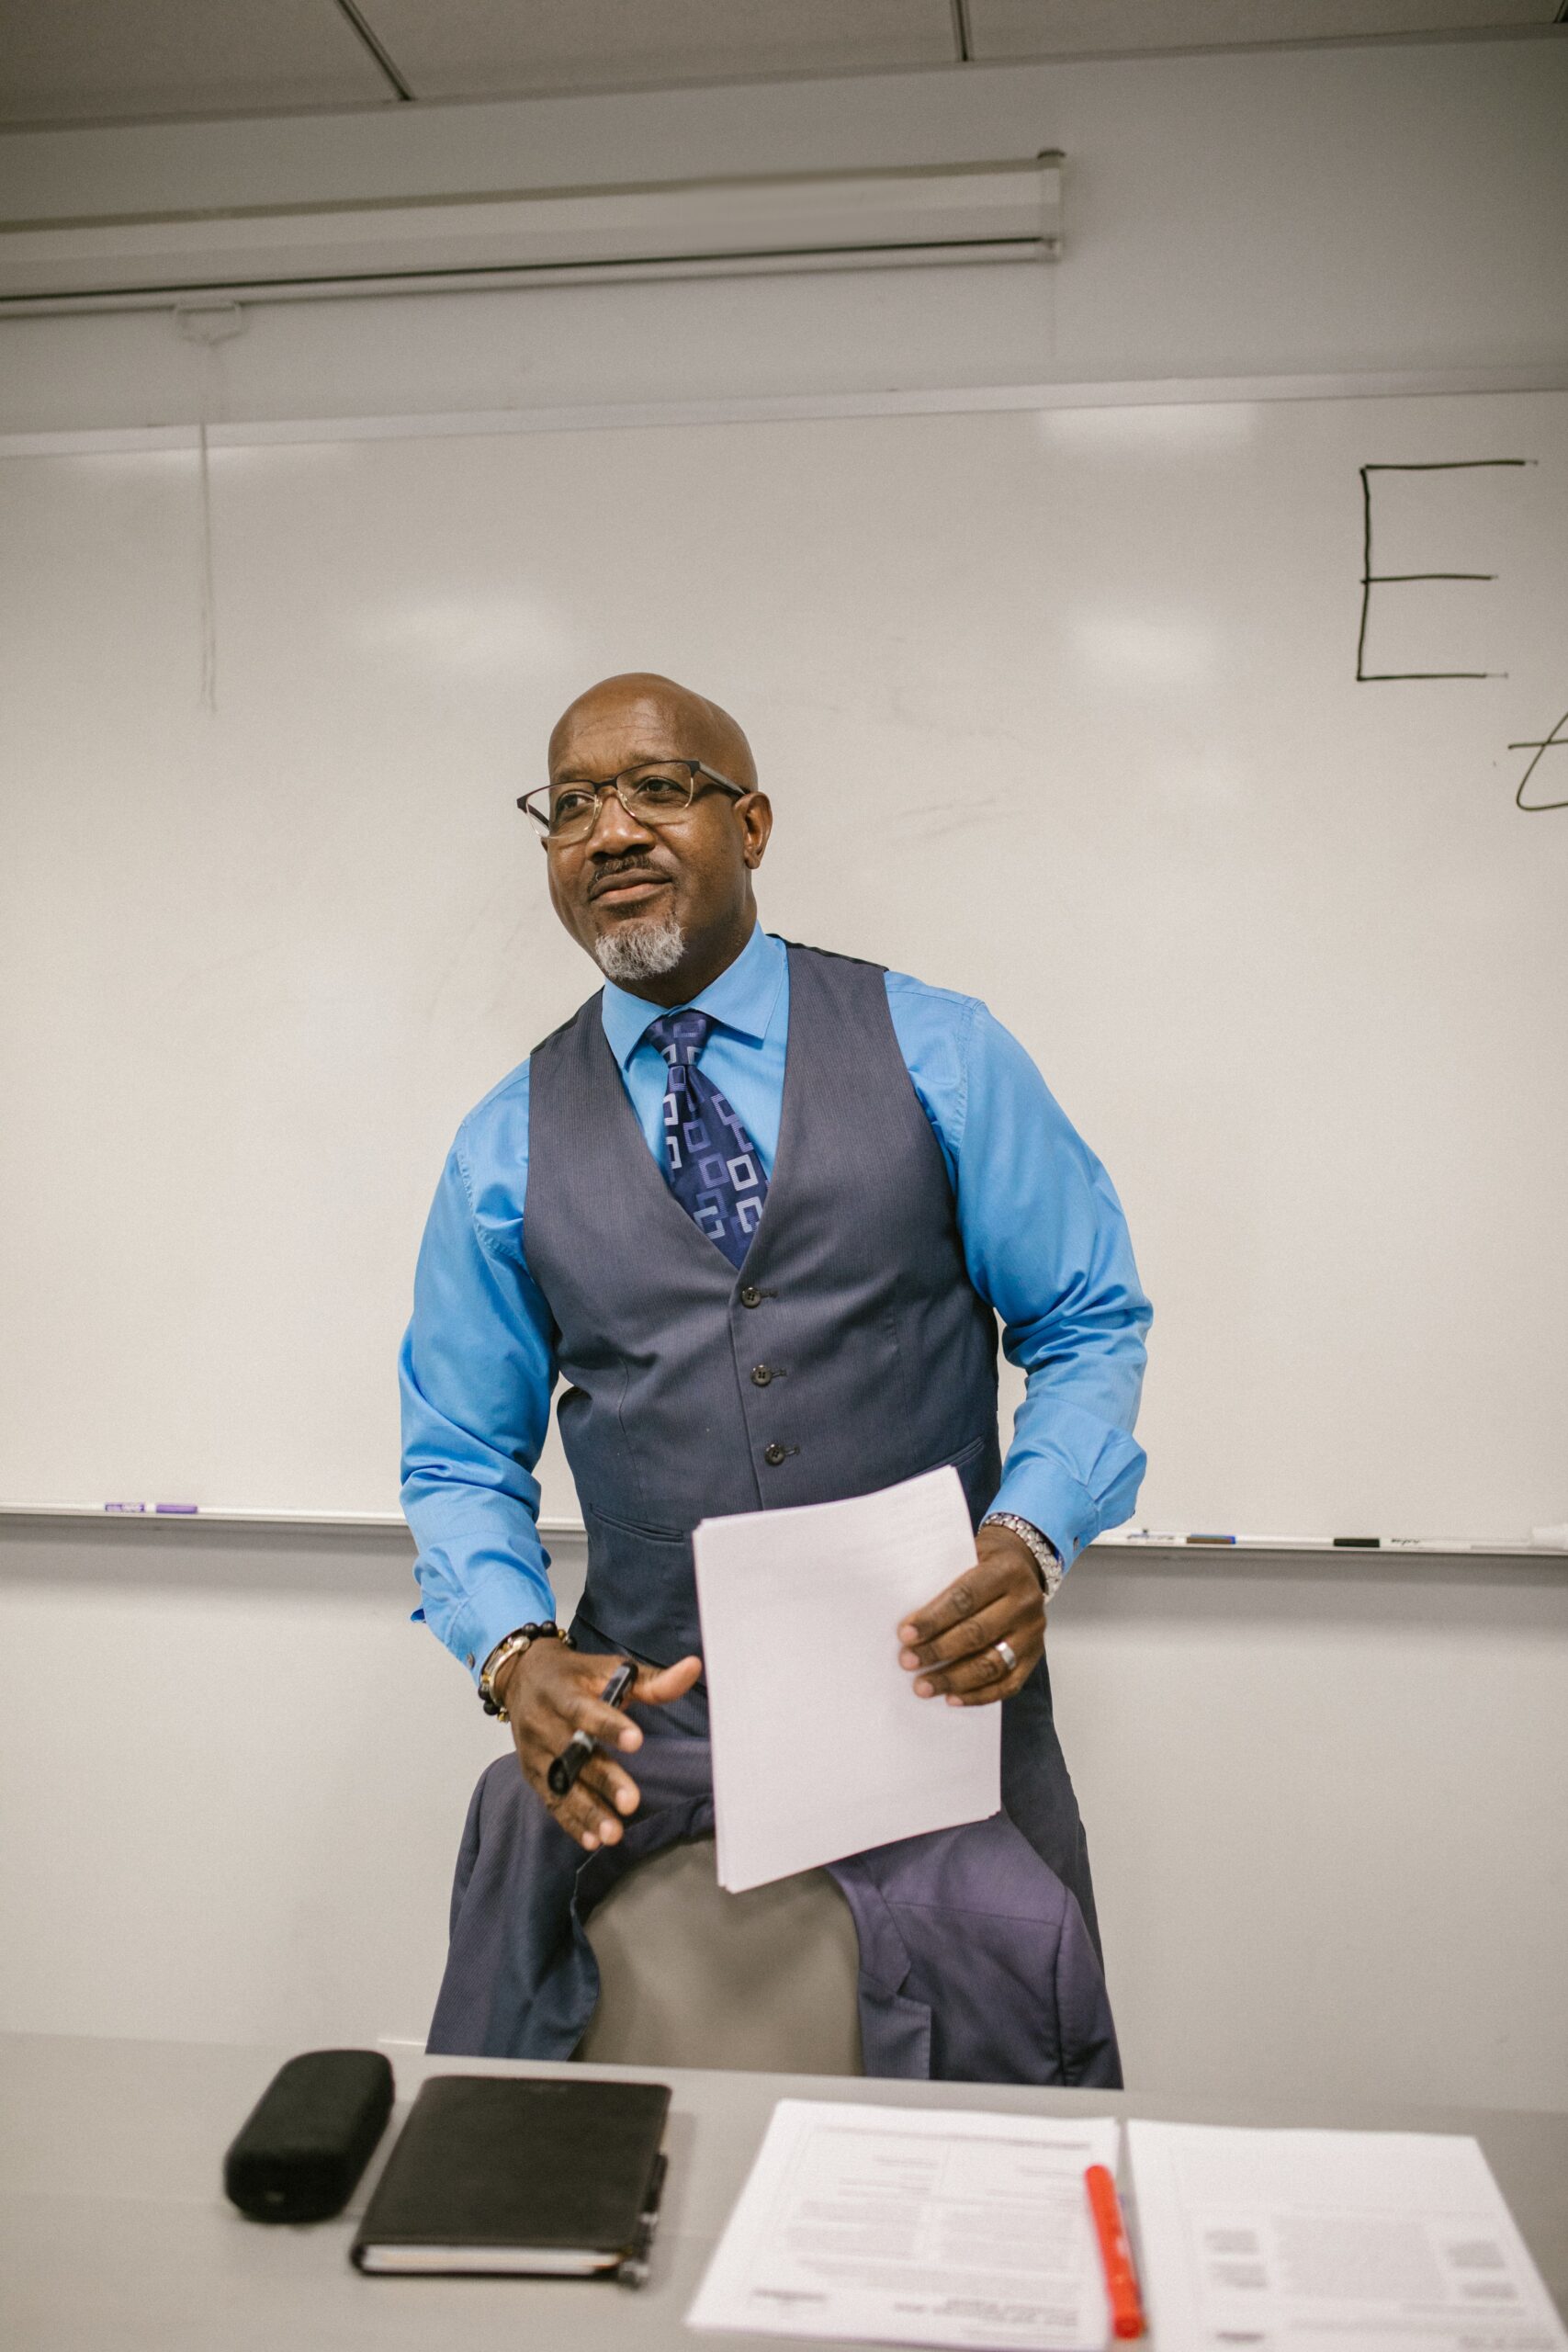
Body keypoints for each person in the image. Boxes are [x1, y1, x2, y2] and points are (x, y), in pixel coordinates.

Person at [400, 672, 1151, 2082]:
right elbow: (456, 1456)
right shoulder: (501, 1144)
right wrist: (513, 1653)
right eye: (570, 807)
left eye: (657, 788)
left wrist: (1030, 1538)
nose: (609, 829)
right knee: (521, 2138)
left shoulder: (946, 1055)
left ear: (750, 824)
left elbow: (1090, 1324)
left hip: (937, 1706)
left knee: (1011, 2130)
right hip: (650, 1723)